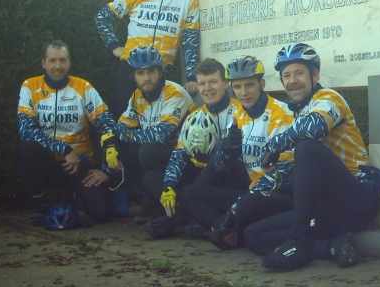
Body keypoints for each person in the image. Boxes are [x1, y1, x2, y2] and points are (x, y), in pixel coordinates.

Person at [245, 43, 380, 271]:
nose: (292, 80)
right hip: (328, 208)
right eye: (286, 75)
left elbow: (314, 126)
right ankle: (331, 246)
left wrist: (275, 144)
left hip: (357, 197)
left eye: (299, 73)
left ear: (315, 74)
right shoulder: (299, 111)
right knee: (253, 235)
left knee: (306, 148)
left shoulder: (329, 98)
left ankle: (300, 241)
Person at [17, 40, 121, 224]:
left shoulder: (83, 88)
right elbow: (26, 130)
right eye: (52, 60)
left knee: (100, 214)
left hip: (80, 163)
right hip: (49, 162)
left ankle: (75, 201)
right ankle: (43, 201)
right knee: (27, 148)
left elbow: (108, 126)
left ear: (69, 62)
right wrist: (64, 150)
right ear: (43, 63)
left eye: (62, 60)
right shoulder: (29, 86)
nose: (58, 66)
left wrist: (106, 170)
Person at [148, 58, 247, 239]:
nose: (207, 88)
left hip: (231, 176)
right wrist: (168, 185)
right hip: (202, 175)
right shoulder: (195, 115)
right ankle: (188, 218)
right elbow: (179, 154)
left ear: (225, 84)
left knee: (193, 190)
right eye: (202, 83)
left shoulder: (241, 111)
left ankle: (182, 220)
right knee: (154, 177)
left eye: (213, 82)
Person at [204, 55, 295, 250]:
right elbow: (221, 166)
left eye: (249, 85)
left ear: (261, 84)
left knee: (245, 210)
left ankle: (229, 228)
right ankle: (224, 228)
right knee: (197, 192)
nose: (243, 93)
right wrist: (227, 151)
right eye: (237, 87)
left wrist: (235, 209)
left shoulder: (281, 114)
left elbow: (283, 171)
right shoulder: (238, 114)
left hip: (278, 191)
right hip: (250, 187)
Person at [95, 0, 200, 116]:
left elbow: (190, 41)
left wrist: (191, 77)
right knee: (123, 118)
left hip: (163, 70)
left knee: (160, 121)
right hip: (130, 68)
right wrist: (114, 46)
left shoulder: (189, 0)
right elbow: (102, 17)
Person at [114, 46, 193, 220]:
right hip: (159, 158)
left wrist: (128, 135)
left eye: (151, 72)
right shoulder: (137, 96)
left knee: (147, 151)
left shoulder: (175, 93)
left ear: (161, 72)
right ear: (133, 76)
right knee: (127, 152)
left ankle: (160, 206)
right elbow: (120, 128)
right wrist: (112, 145)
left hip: (186, 158)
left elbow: (161, 135)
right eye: (140, 73)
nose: (147, 78)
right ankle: (151, 202)